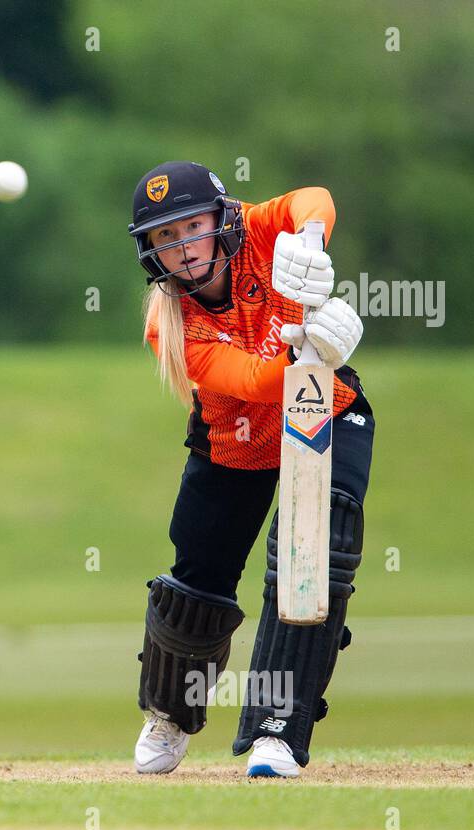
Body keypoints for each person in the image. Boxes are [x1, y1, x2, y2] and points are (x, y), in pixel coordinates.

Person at [126, 161, 373, 778]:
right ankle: (170, 713)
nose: (182, 248)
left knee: (315, 553)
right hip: (235, 440)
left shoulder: (261, 231)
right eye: (164, 238)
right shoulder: (169, 324)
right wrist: (311, 343)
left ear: (221, 219)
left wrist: (310, 239)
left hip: (326, 410)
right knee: (197, 581)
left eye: (191, 227)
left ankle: (276, 731)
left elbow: (314, 196)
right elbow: (256, 383)